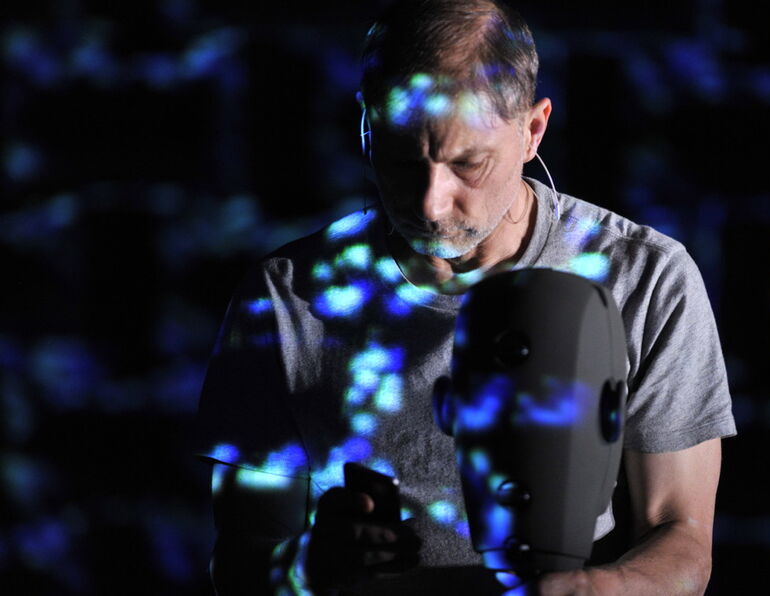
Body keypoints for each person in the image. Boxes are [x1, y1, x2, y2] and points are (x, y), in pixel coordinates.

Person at [197, 0, 736, 594]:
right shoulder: (286, 299)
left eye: (467, 163)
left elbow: (682, 542)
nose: (431, 202)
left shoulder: (644, 278)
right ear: (365, 128)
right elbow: (239, 563)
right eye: (403, 160)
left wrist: (587, 591)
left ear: (533, 131)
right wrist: (307, 567)